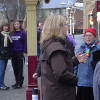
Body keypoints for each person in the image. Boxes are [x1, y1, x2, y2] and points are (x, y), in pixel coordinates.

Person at [34, 15, 87, 100]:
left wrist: (75, 60)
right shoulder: (56, 48)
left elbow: (57, 66)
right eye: (65, 24)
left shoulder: (49, 45)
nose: (67, 27)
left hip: (53, 93)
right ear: (58, 27)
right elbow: (61, 74)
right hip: (60, 94)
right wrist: (79, 80)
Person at [75, 27, 100, 100]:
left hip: (93, 83)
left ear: (94, 37)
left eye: (90, 35)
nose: (88, 38)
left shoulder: (98, 49)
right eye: (86, 35)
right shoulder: (81, 48)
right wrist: (75, 75)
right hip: (81, 82)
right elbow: (76, 64)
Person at [10, 20, 27, 89]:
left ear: (19, 25)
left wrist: (24, 51)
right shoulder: (12, 33)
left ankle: (19, 83)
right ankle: (17, 82)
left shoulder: (23, 33)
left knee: (20, 69)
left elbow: (25, 43)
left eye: (17, 24)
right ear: (13, 26)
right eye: (15, 24)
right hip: (13, 53)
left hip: (20, 53)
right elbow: (10, 44)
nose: (16, 25)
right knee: (15, 69)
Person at [0, 24, 12, 90]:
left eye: (7, 26)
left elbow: (9, 46)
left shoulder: (8, 35)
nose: (6, 27)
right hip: (1, 56)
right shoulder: (0, 35)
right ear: (2, 27)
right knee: (1, 70)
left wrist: (10, 55)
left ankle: (2, 83)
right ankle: (1, 85)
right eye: (4, 26)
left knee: (3, 70)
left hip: (6, 56)